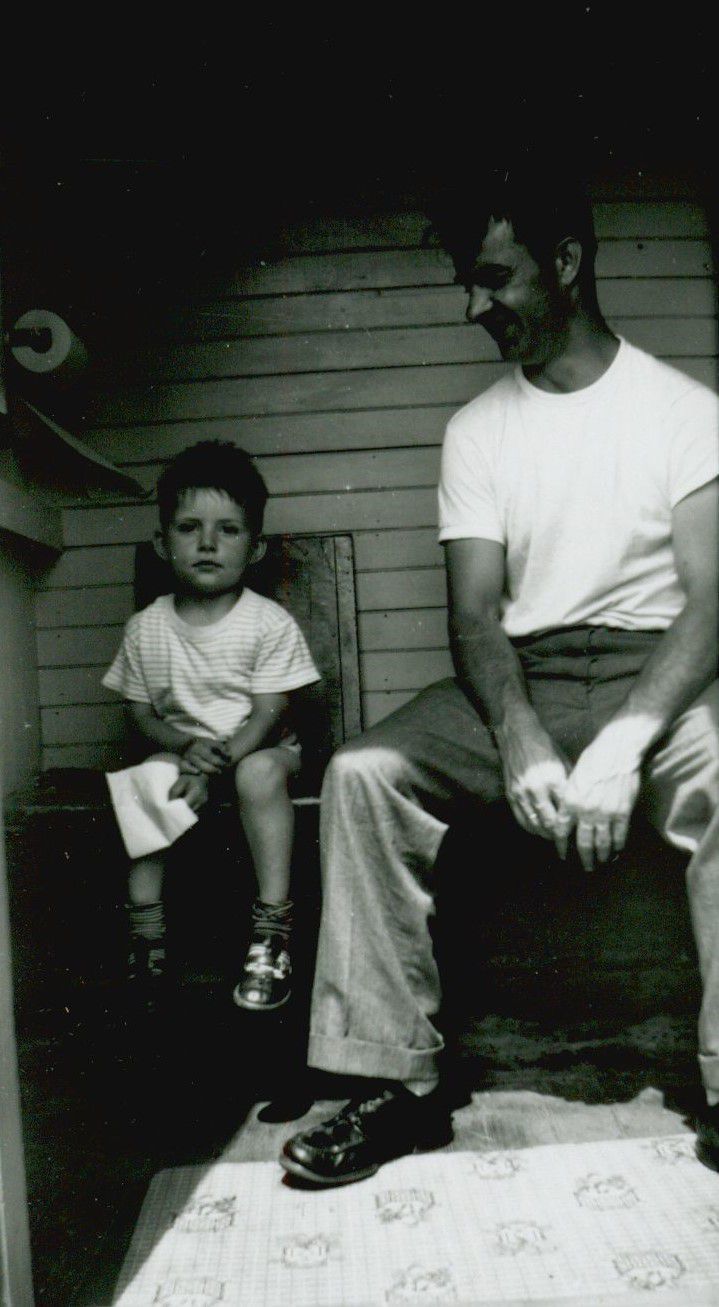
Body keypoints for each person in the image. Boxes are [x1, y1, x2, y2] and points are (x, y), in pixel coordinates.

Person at [280, 165, 719, 1186]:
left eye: (492, 278)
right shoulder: (477, 429)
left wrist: (624, 742)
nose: (474, 306)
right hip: (521, 675)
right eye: (467, 283)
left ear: (564, 262)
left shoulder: (683, 411)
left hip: (658, 676)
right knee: (361, 775)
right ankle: (392, 1084)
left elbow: (709, 605)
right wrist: (517, 733)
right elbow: (473, 614)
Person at [103, 440, 320, 1011]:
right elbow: (140, 713)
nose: (206, 543)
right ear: (162, 543)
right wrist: (185, 748)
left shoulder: (266, 622)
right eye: (188, 528)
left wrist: (212, 765)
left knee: (256, 775)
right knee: (152, 776)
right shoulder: (146, 628)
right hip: (187, 750)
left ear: (254, 547)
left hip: (263, 747)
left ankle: (271, 934)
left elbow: (270, 711)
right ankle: (146, 935)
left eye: (227, 530)